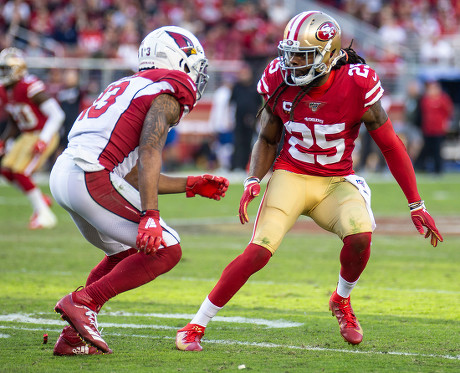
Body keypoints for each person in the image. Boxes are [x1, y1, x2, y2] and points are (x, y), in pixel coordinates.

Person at [175, 11, 443, 351]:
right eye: (290, 54)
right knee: (258, 251)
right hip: (292, 174)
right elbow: (269, 137)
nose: (293, 63)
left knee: (361, 236)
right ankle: (196, 325)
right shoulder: (278, 77)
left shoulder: (357, 81)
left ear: (329, 55)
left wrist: (416, 204)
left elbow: (390, 144)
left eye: (303, 56)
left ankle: (341, 300)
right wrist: (253, 179)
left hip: (336, 181)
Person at [50, 26, 229, 356]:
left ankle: (73, 337)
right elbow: (150, 151)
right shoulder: (168, 90)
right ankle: (83, 301)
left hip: (66, 174)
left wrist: (190, 185)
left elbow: (133, 173)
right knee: (167, 249)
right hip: (91, 175)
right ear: (176, 59)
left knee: (123, 254)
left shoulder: (127, 84)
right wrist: (151, 215)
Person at [0, 47, 65, 229]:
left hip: (44, 133)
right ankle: (39, 199)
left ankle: (45, 216)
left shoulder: (29, 87)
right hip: (27, 134)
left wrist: (43, 139)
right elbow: (15, 121)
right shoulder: (6, 91)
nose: (3, 73)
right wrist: (4, 141)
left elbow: (57, 115)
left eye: (6, 69)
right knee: (6, 170)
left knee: (21, 172)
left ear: (18, 69)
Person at [414, 79, 453, 175]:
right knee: (426, 149)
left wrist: (446, 123)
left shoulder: (443, 99)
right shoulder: (425, 100)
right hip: (428, 129)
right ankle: (421, 167)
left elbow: (448, 112)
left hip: (439, 129)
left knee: (437, 149)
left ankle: (438, 169)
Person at [230, 63, 261, 172]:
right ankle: (236, 166)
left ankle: (245, 166)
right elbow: (232, 103)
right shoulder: (237, 87)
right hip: (238, 119)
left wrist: (258, 119)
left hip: (252, 120)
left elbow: (259, 105)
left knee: (250, 143)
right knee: (238, 142)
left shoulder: (255, 87)